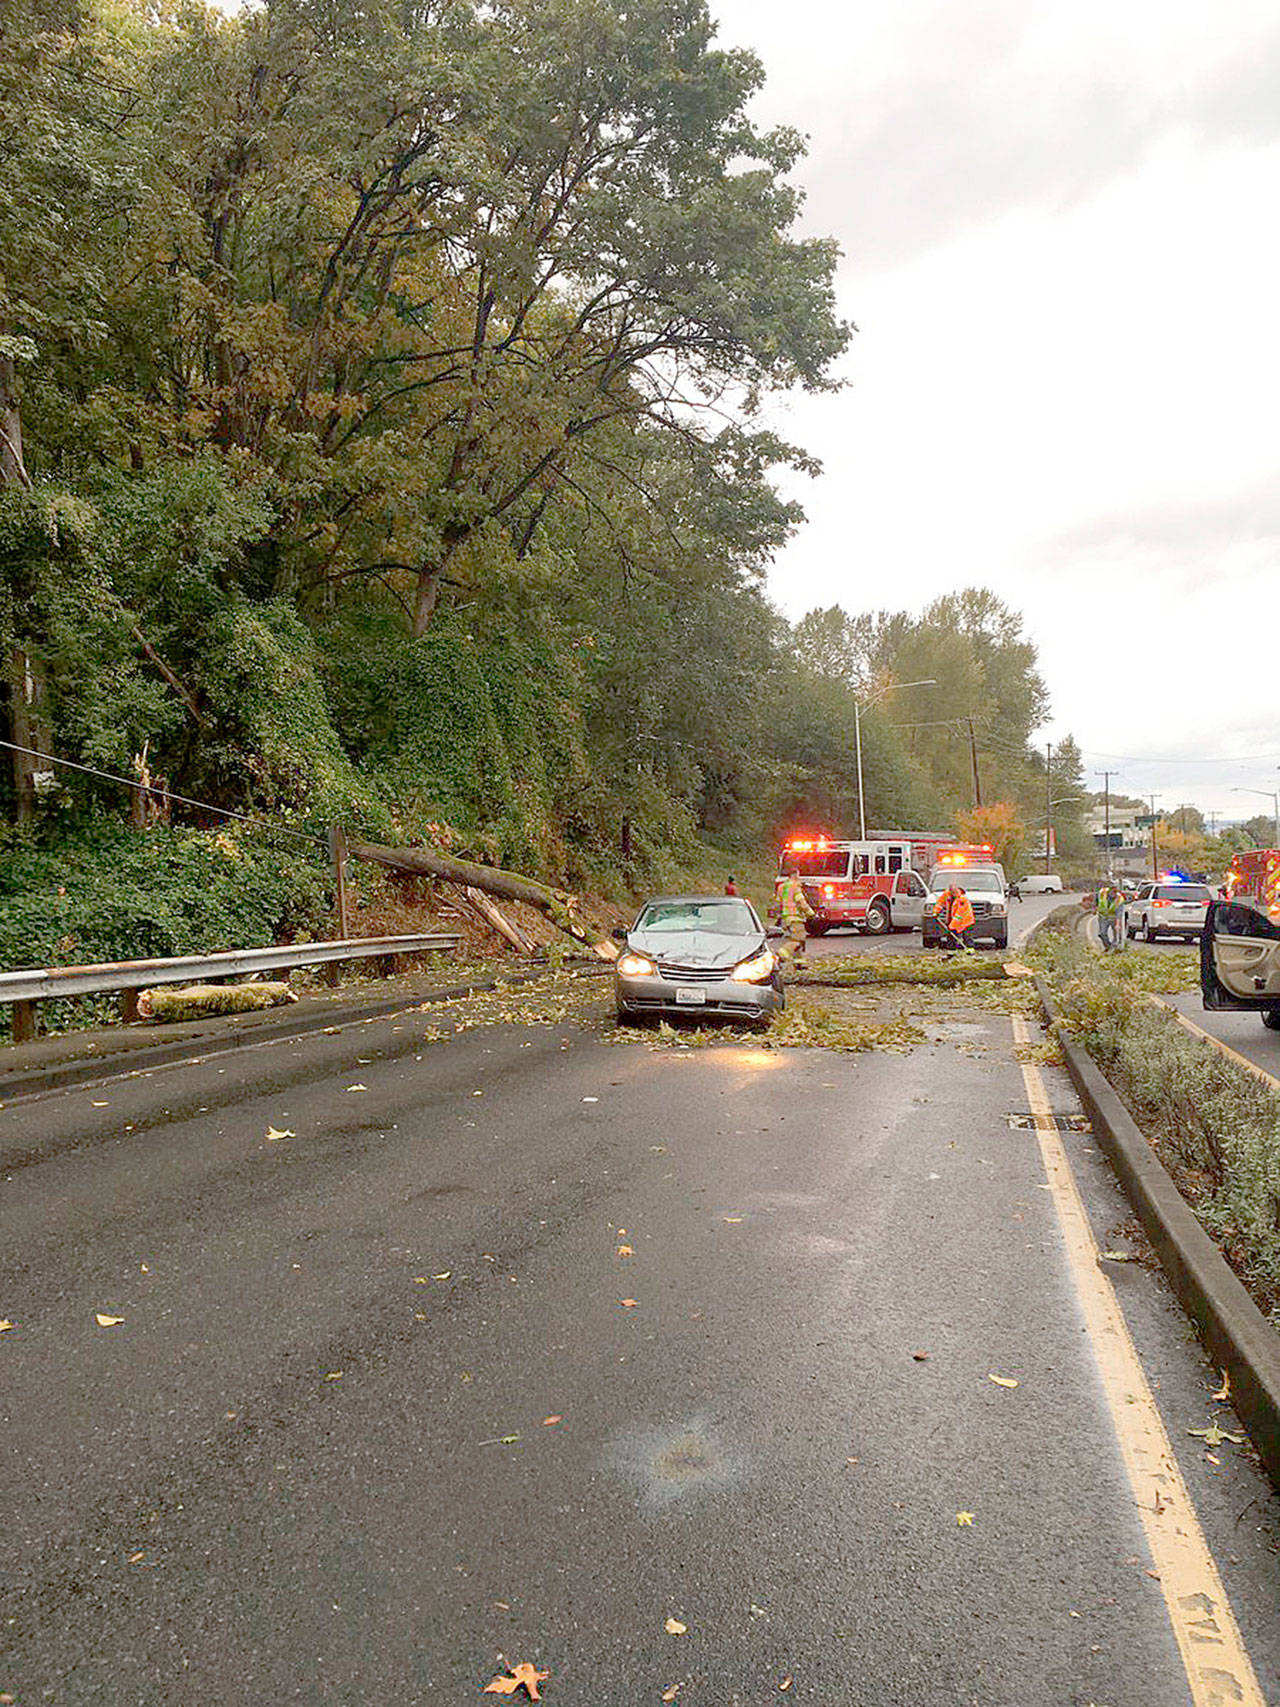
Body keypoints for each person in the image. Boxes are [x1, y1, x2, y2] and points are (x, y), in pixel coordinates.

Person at [775, 866, 816, 958]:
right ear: (794, 875)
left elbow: (778, 902)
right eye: (798, 875)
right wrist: (811, 913)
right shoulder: (795, 886)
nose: (799, 877)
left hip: (786, 917)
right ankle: (781, 954)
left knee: (797, 940)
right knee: (798, 940)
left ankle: (799, 963)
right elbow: (801, 902)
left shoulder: (781, 887)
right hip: (795, 917)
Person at [937, 883, 975, 950]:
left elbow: (959, 915)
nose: (953, 893)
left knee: (967, 937)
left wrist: (951, 926)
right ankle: (951, 953)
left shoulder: (962, 900)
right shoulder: (947, 895)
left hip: (966, 921)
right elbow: (940, 902)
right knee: (951, 938)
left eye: (955, 891)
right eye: (952, 891)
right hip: (953, 920)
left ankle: (970, 952)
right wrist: (936, 911)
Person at [1096, 880, 1122, 951]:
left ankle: (1116, 946)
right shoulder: (1102, 892)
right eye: (1113, 891)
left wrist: (1117, 924)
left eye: (1115, 891)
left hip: (1113, 918)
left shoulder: (1119, 899)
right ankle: (1108, 946)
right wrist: (1094, 907)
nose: (1114, 893)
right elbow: (1096, 899)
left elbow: (1119, 913)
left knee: (1117, 933)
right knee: (1102, 933)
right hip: (1103, 917)